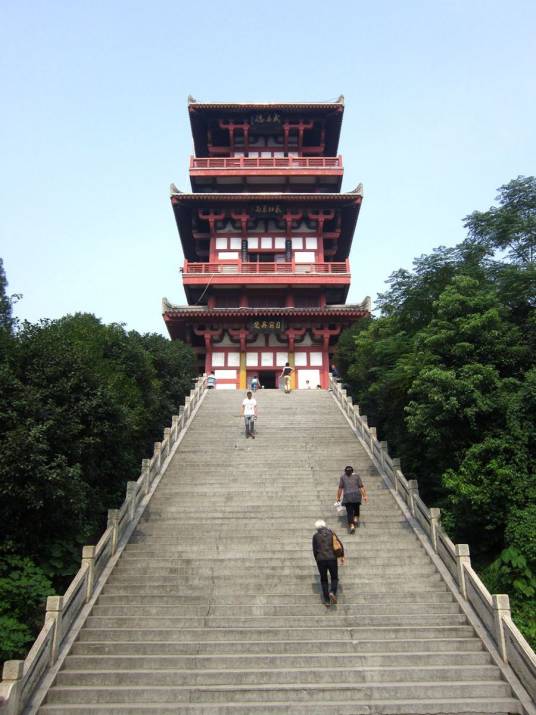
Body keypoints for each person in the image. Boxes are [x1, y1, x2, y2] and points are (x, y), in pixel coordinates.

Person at [312, 519, 345, 607]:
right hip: (332, 558)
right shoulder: (331, 533)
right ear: (324, 525)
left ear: (317, 528)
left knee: (323, 579)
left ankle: (326, 600)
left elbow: (314, 550)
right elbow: (339, 544)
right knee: (334, 577)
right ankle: (332, 592)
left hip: (321, 560)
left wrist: (317, 560)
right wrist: (342, 556)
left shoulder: (315, 536)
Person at [337, 465, 368, 533]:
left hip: (347, 496)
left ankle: (352, 525)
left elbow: (340, 488)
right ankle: (356, 518)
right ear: (352, 471)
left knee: (349, 512)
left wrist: (338, 497)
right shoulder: (357, 476)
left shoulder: (343, 477)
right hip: (357, 495)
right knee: (356, 508)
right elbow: (361, 487)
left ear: (345, 471)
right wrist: (365, 495)